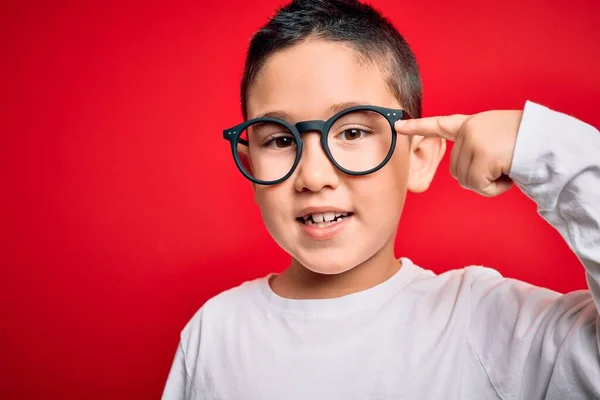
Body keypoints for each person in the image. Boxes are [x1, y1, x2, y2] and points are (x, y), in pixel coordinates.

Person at [162, 0, 600, 398]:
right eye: (280, 140)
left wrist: (546, 149)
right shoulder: (216, 331)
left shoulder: (488, 323)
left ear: (420, 157)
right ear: (252, 165)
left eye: (353, 132)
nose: (313, 176)